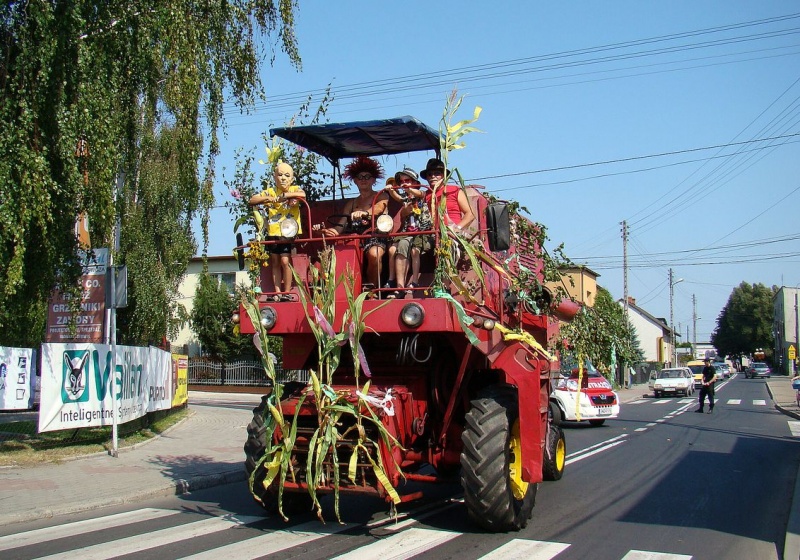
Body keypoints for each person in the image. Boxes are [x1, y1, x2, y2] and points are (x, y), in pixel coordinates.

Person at [319, 156, 389, 288]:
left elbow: (379, 208)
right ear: (355, 181)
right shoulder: (351, 204)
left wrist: (366, 213)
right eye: (360, 177)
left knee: (375, 254)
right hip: (354, 239)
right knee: (332, 255)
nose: (363, 180)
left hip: (374, 236)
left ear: (373, 180)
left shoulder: (381, 196)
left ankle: (372, 290)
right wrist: (327, 231)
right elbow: (340, 226)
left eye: (367, 176)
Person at [249, 162, 306, 300]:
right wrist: (267, 199)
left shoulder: (294, 189)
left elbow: (302, 195)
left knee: (285, 261)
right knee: (274, 261)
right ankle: (277, 292)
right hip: (273, 233)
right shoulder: (271, 192)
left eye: (287, 175)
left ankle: (287, 292)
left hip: (288, 233)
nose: (283, 178)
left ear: (292, 179)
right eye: (279, 175)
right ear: (274, 177)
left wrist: (288, 197)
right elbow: (252, 200)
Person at [384, 167, 433, 299]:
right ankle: (398, 285)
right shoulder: (406, 198)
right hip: (407, 232)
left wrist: (409, 188)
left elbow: (418, 194)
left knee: (414, 251)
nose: (404, 183)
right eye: (402, 181)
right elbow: (398, 197)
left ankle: (415, 281)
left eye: (408, 180)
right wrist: (391, 189)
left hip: (422, 231)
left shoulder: (421, 194)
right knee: (395, 248)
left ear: (414, 182)